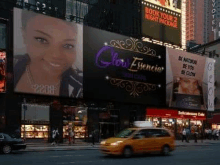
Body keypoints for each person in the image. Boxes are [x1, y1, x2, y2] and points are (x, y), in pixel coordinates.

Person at [14, 9, 83, 97]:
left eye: (68, 46)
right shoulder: (9, 66)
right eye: (42, 40)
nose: (56, 55)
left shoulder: (83, 83)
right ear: (24, 36)